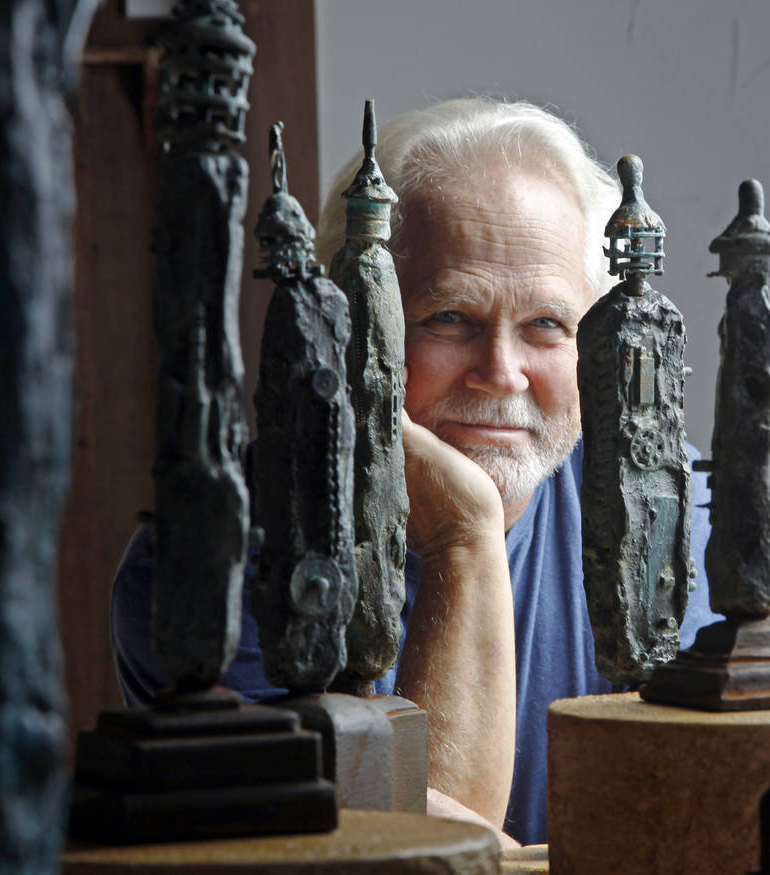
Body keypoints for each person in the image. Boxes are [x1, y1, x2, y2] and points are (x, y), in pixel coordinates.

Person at [111, 97, 718, 847]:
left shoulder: (661, 502)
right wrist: (465, 536)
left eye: (547, 325)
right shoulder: (210, 563)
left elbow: (698, 817)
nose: (502, 373)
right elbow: (413, 860)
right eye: (449, 317)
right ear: (350, 322)